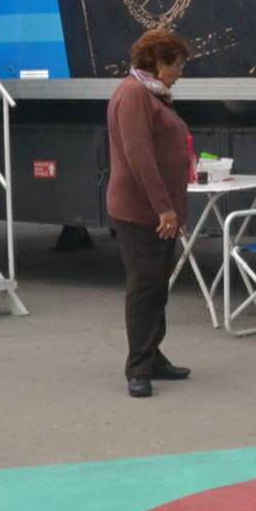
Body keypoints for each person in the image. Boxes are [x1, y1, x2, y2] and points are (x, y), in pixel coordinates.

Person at [105, 28, 196, 399]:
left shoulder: (153, 94)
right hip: (140, 212)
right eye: (176, 65)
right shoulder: (133, 95)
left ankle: (153, 355)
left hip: (159, 213)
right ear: (157, 62)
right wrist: (164, 208)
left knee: (157, 286)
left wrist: (174, 208)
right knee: (145, 287)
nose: (179, 72)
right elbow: (139, 156)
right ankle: (138, 368)